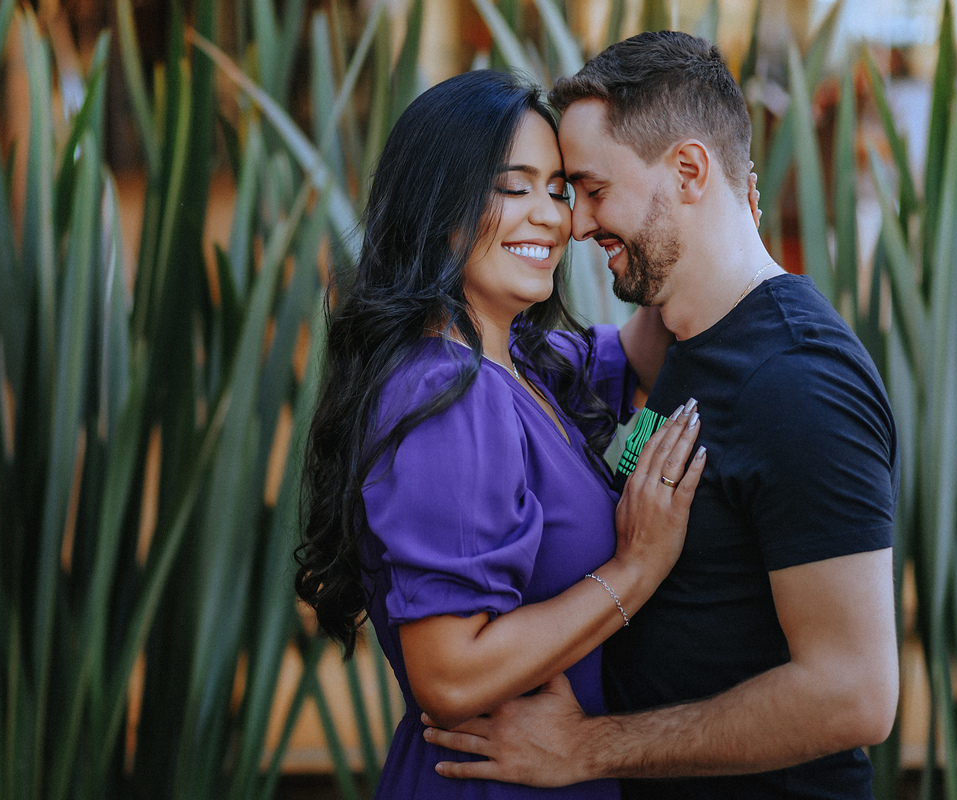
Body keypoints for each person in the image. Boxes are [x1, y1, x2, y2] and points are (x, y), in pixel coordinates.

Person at [425, 32, 901, 800]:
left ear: (687, 170)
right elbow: (551, 365)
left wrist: (588, 749)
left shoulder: (801, 384)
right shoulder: (681, 329)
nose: (575, 224)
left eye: (590, 188)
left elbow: (854, 694)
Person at [294, 69, 712, 799]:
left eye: (559, 190)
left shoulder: (518, 362)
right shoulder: (449, 394)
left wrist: (703, 216)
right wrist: (634, 572)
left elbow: (659, 337)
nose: (552, 219)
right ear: (438, 207)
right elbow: (450, 673)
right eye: (512, 188)